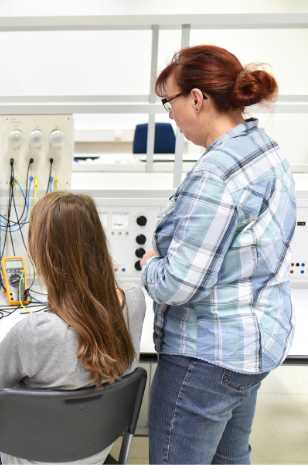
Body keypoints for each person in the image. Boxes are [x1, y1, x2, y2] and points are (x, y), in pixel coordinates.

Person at [141, 45, 294, 464]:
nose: (168, 114)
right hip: (254, 346)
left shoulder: (215, 175)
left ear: (196, 98)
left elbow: (176, 285)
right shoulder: (264, 148)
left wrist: (150, 262)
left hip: (206, 357)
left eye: (168, 102)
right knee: (230, 456)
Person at [0, 191, 147, 464]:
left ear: (42, 251)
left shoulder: (37, 332)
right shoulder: (134, 301)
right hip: (95, 450)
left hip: (30, 457)